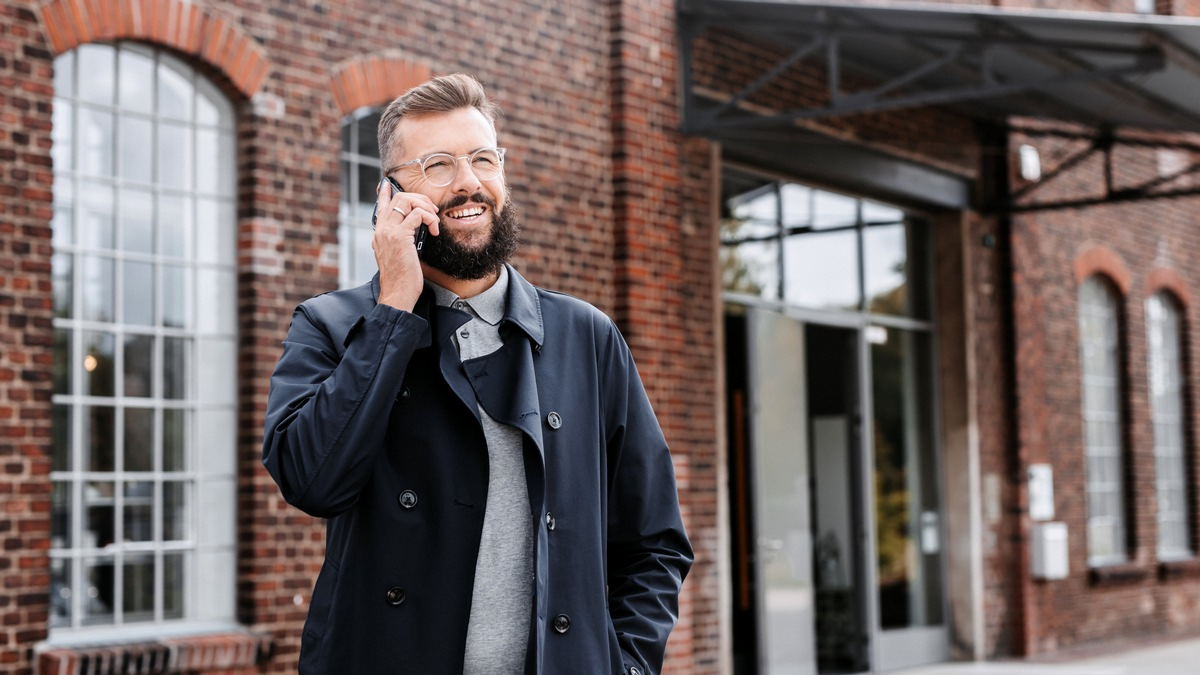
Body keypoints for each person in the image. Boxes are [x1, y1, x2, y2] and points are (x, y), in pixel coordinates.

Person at [261, 73, 693, 675]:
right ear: (390, 195)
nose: (468, 181)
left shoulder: (585, 336)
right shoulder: (331, 326)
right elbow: (312, 482)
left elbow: (653, 540)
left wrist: (628, 666)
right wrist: (394, 309)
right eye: (438, 165)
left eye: (483, 159)